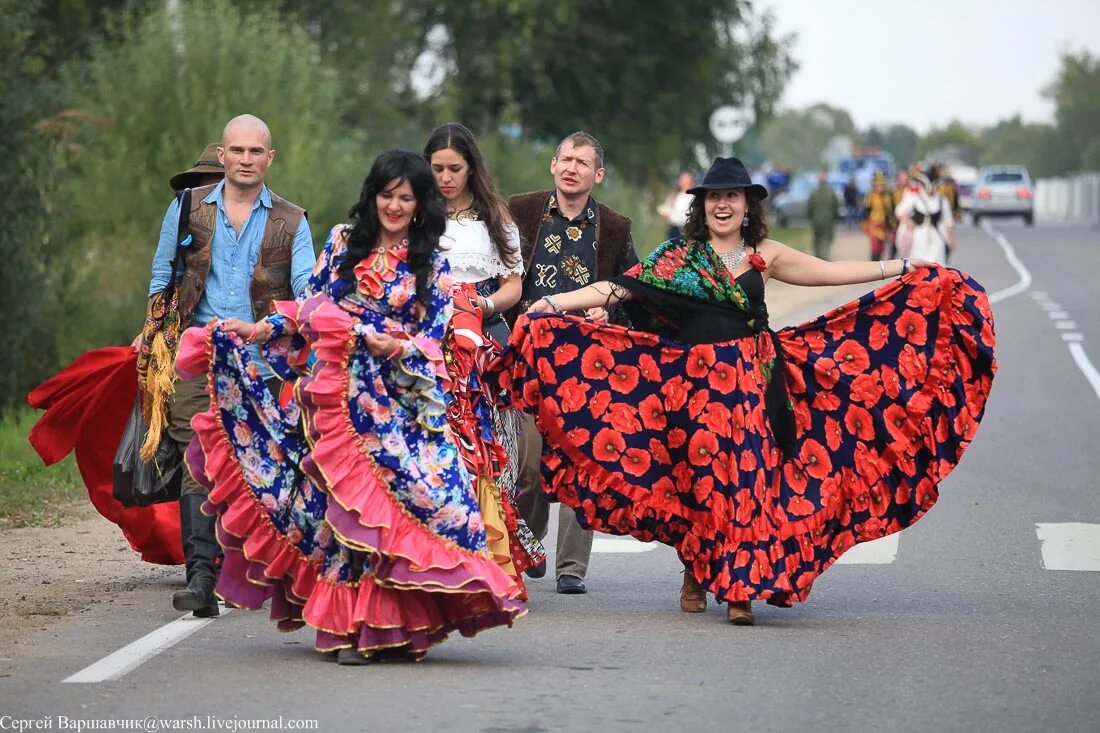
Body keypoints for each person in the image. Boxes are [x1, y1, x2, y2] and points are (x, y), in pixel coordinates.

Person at [492, 156, 996, 625]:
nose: (724, 204)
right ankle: (695, 570)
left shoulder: (765, 253)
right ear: (703, 205)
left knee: (748, 482)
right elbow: (619, 288)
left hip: (757, 382)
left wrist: (901, 269)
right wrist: (557, 304)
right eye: (714, 197)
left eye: (733, 196)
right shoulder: (678, 256)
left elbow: (829, 273)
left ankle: (739, 591)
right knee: (700, 482)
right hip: (694, 389)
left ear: (747, 205)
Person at [177, 150, 525, 664]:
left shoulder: (432, 260)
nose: (395, 206)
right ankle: (353, 628)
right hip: (340, 399)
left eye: (407, 198)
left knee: (425, 507)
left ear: (421, 203)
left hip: (402, 405)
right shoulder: (343, 242)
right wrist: (257, 330)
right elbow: (311, 308)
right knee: (343, 512)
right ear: (373, 196)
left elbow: (432, 338)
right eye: (388, 195)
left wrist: (396, 346)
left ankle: (402, 621)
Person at [137, 115, 316, 618]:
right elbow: (163, 279)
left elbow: (306, 291)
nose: (245, 159)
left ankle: (275, 571)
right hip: (197, 354)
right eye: (236, 150)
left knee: (261, 465)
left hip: (265, 363)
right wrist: (152, 341)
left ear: (269, 158)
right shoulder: (186, 206)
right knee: (198, 455)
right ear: (222, 154)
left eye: (255, 151)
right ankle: (200, 577)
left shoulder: (293, 220)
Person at [506, 131, 639, 594]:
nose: (572, 168)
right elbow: (497, 271)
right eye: (565, 159)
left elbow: (633, 289)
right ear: (552, 164)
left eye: (583, 163)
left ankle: (571, 568)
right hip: (524, 357)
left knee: (583, 460)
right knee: (529, 463)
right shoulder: (519, 211)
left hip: (589, 363)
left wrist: (612, 310)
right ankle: (527, 539)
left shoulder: (616, 228)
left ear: (597, 175)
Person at [423, 122, 545, 589]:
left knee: (492, 449)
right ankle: (445, 550)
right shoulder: (416, 213)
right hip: (429, 343)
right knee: (442, 447)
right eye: (437, 169)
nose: (446, 178)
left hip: (483, 342)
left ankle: (494, 548)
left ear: (472, 169)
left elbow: (514, 282)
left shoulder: (495, 217)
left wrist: (485, 304)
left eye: (455, 168)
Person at [896, 169, 955, 264]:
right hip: (918, 236)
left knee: (936, 266)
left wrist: (951, 241)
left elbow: (948, 223)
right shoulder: (914, 197)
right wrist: (909, 222)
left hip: (937, 237)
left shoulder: (942, 200)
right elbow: (900, 212)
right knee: (918, 267)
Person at [861, 171, 896, 261]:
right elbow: (866, 211)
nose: (880, 187)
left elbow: (891, 212)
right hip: (874, 225)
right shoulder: (870, 196)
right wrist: (865, 225)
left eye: (882, 185)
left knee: (883, 248)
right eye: (878, 185)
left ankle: (880, 266)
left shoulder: (888, 197)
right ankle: (874, 265)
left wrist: (892, 226)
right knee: (875, 247)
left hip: (884, 226)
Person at [805, 170, 839, 260]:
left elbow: (809, 208)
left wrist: (811, 217)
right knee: (826, 239)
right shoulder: (831, 193)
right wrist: (835, 217)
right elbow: (836, 207)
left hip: (816, 220)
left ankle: (817, 257)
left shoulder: (814, 193)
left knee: (817, 240)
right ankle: (824, 257)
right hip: (828, 220)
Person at [657, 170, 696, 240]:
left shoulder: (695, 197)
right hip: (674, 229)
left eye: (687, 179)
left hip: (690, 229)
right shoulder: (674, 196)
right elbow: (666, 210)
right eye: (683, 179)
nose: (685, 182)